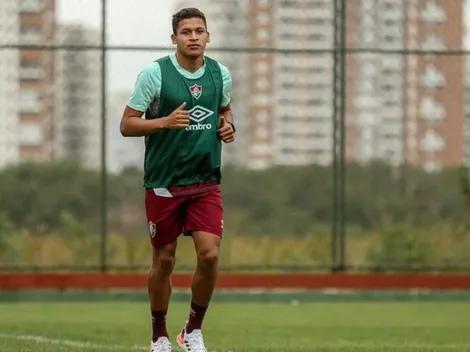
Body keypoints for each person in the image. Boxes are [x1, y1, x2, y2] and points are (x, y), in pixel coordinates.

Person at [120, 7, 235, 352]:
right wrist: (164, 123)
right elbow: (127, 124)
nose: (194, 37)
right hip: (164, 182)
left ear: (208, 36)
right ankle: (159, 335)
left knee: (210, 256)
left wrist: (228, 125)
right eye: (186, 32)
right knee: (165, 259)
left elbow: (224, 109)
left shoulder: (220, 74)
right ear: (174, 39)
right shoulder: (155, 74)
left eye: (200, 31)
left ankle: (192, 331)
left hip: (205, 181)